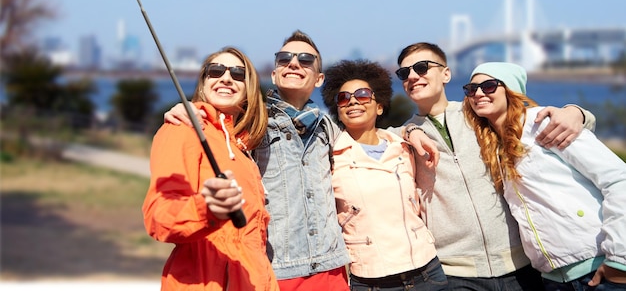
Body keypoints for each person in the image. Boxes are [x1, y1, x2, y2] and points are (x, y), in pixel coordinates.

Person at [397, 42, 597, 291]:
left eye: (421, 67)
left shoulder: (481, 113)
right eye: (404, 73)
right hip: (455, 271)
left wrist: (577, 112)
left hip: (521, 264)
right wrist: (410, 129)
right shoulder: (399, 138)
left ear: (446, 74)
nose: (413, 76)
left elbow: (530, 117)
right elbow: (374, 138)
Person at [165, 30, 351, 290]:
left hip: (331, 269)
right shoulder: (253, 122)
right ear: (274, 74)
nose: (294, 63)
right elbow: (219, 119)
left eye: (305, 60)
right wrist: (190, 107)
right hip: (277, 270)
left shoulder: (328, 128)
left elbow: (371, 140)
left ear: (319, 79)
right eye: (284, 58)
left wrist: (411, 129)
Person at [463, 62, 626, 290]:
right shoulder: (491, 146)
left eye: (489, 86)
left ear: (511, 91)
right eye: (471, 89)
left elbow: (618, 179)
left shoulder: (543, 123)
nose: (478, 93)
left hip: (599, 269)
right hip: (553, 280)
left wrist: (620, 259)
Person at [142, 47, 279, 290]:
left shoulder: (243, 151)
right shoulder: (182, 128)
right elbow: (159, 217)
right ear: (203, 83)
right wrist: (207, 209)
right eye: (215, 71)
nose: (226, 78)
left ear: (249, 89)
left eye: (238, 74)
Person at [321, 59, 448, 291]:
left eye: (362, 94)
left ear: (379, 106)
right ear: (337, 111)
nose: (352, 101)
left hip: (426, 270)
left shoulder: (404, 147)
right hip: (371, 278)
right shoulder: (329, 157)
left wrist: (411, 129)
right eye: (343, 98)